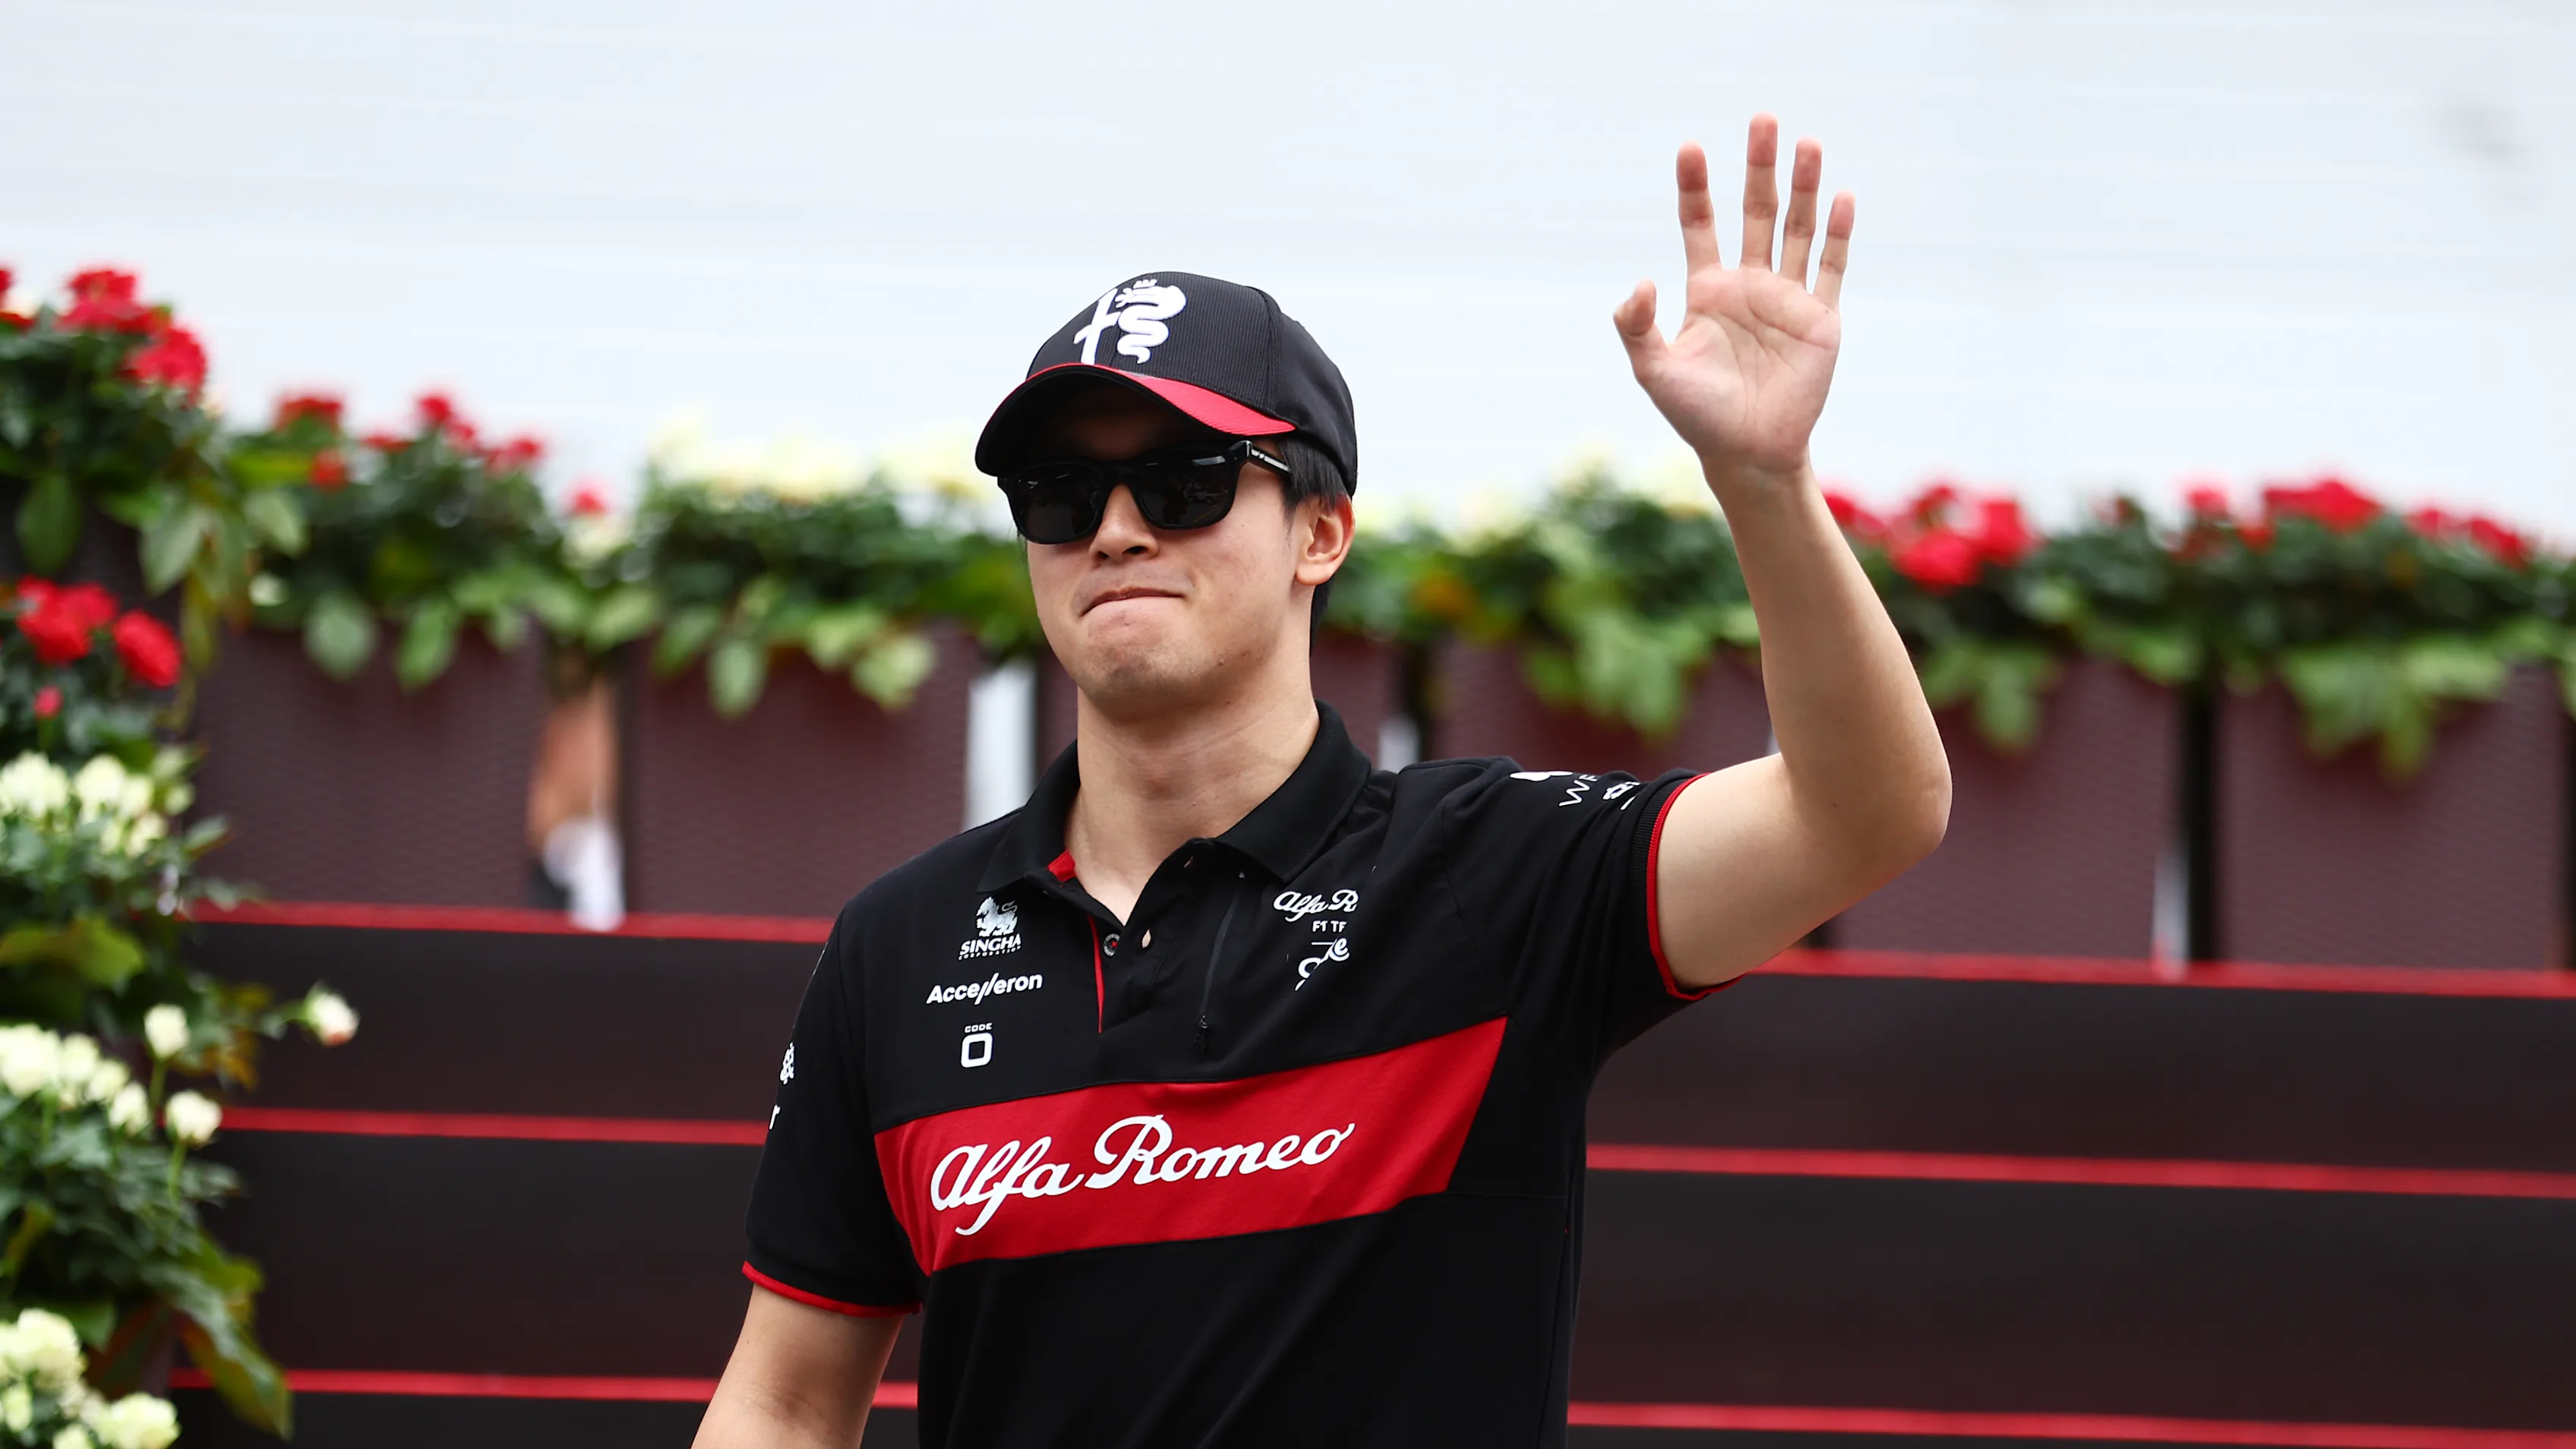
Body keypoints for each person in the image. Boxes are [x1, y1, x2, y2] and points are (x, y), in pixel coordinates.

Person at [693, 113, 1948, 1448]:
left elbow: (1862, 814)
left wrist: (1764, 482)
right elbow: (781, 1401)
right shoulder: (901, 942)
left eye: (1180, 484)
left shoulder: (1488, 874)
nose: (1115, 531)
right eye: (1060, 495)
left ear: (1321, 532)